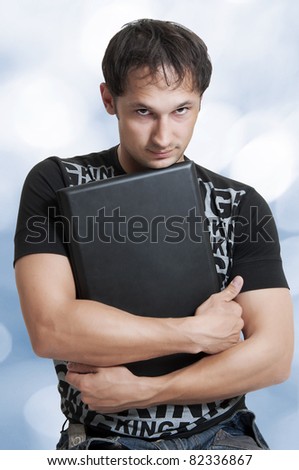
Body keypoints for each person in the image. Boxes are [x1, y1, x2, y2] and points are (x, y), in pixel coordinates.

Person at [14, 19, 294, 450]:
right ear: (110, 99)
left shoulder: (240, 203)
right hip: (105, 442)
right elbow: (51, 329)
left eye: (182, 110)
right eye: (144, 111)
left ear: (201, 101)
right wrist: (194, 334)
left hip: (225, 437)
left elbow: (273, 357)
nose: (164, 136)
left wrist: (147, 390)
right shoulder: (57, 183)